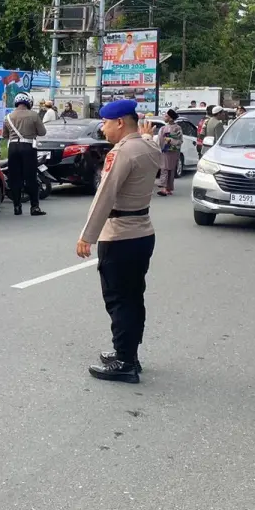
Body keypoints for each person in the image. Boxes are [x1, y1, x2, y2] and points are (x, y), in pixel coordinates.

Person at [75, 99, 158, 384]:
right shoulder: (149, 147)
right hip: (143, 232)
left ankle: (124, 362)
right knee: (133, 297)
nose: (103, 128)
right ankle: (129, 353)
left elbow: (105, 195)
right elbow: (148, 142)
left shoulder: (121, 153)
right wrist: (146, 136)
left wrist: (87, 235)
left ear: (120, 123)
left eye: (106, 123)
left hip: (120, 235)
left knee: (119, 300)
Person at [1, 93, 47, 217]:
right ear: (28, 103)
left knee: (15, 177)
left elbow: (5, 135)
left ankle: (17, 207)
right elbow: (42, 132)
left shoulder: (8, 117)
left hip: (13, 148)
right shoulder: (33, 115)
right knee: (31, 177)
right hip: (28, 147)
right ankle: (34, 207)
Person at [155, 109, 184, 196]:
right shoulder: (163, 128)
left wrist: (170, 140)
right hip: (164, 151)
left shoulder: (177, 128)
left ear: (171, 118)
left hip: (173, 151)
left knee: (171, 169)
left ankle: (168, 188)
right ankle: (164, 188)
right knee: (164, 168)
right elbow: (159, 140)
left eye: (166, 116)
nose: (165, 117)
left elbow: (180, 140)